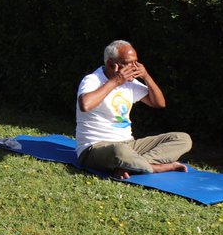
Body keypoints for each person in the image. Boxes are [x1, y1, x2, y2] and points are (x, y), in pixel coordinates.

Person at [75, 40, 191, 179]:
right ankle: (152, 167)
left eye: (136, 62)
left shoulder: (130, 83)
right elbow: (85, 105)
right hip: (95, 148)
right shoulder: (92, 80)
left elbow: (159, 103)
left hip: (129, 144)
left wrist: (146, 76)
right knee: (120, 151)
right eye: (129, 63)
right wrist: (116, 81)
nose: (134, 67)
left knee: (183, 139)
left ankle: (130, 165)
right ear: (112, 64)